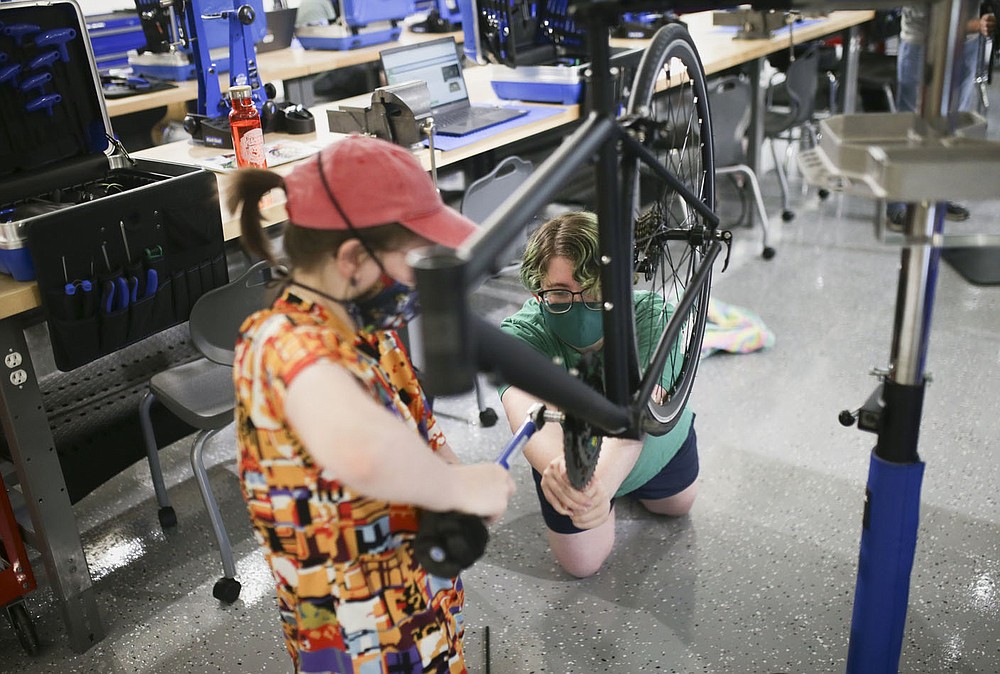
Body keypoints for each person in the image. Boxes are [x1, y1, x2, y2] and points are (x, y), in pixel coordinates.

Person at [228, 135, 516, 674]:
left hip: (415, 606)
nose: (418, 284)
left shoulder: (366, 329)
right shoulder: (280, 344)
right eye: (414, 263)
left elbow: (414, 428)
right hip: (357, 639)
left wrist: (449, 475)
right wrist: (457, 487)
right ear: (353, 259)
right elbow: (361, 450)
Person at [497, 211, 699, 579]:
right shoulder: (521, 334)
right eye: (558, 292)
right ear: (535, 290)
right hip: (569, 456)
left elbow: (638, 412)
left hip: (650, 445)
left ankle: (617, 490)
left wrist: (600, 486)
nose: (578, 304)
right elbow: (524, 411)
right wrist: (575, 481)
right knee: (582, 563)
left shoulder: (652, 317)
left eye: (593, 289)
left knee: (675, 506)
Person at [888, 4, 997, 224]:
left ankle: (938, 198)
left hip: (966, 44)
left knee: (953, 127)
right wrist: (975, 24)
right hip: (923, 42)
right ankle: (899, 203)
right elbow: (924, 14)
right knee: (910, 127)